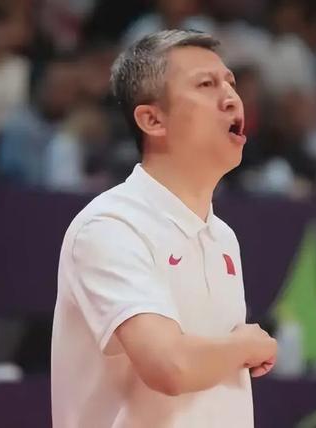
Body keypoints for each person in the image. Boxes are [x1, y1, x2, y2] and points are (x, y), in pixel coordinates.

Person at [51, 30, 277, 428]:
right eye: (206, 85)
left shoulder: (223, 237)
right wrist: (246, 345)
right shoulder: (110, 226)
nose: (231, 97)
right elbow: (170, 366)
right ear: (152, 119)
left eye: (230, 83)